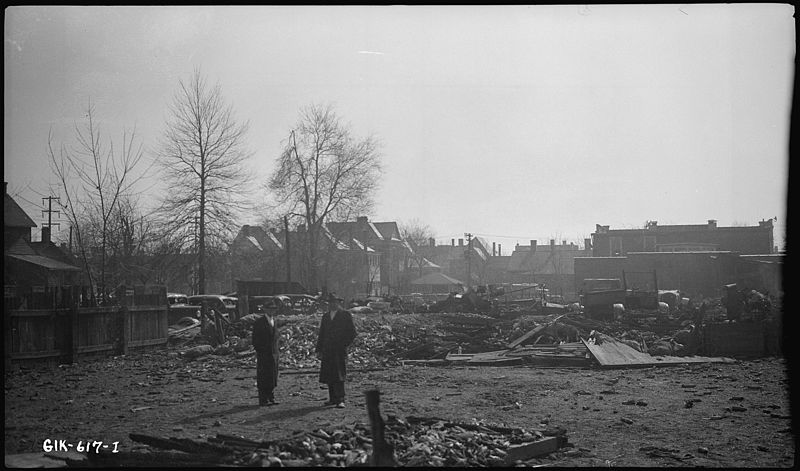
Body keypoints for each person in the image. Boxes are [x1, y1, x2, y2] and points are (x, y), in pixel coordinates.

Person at [316, 293, 356, 408]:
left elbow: (352, 333)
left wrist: (344, 344)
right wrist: (319, 349)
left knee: (339, 375)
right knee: (329, 374)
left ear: (339, 303)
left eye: (335, 302)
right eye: (331, 302)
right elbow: (322, 334)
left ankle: (340, 399)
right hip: (327, 350)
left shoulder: (345, 315)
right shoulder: (326, 317)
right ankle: (332, 398)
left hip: (339, 350)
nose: (333, 304)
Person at [252, 307, 280, 406]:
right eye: (270, 309)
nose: (272, 311)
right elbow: (255, 339)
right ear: (265, 310)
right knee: (263, 377)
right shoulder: (259, 322)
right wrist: (260, 350)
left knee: (272, 376)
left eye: (273, 309)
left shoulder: (274, 321)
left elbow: (275, 338)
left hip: (273, 353)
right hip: (264, 354)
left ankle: (271, 397)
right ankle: (263, 399)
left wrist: (276, 352)